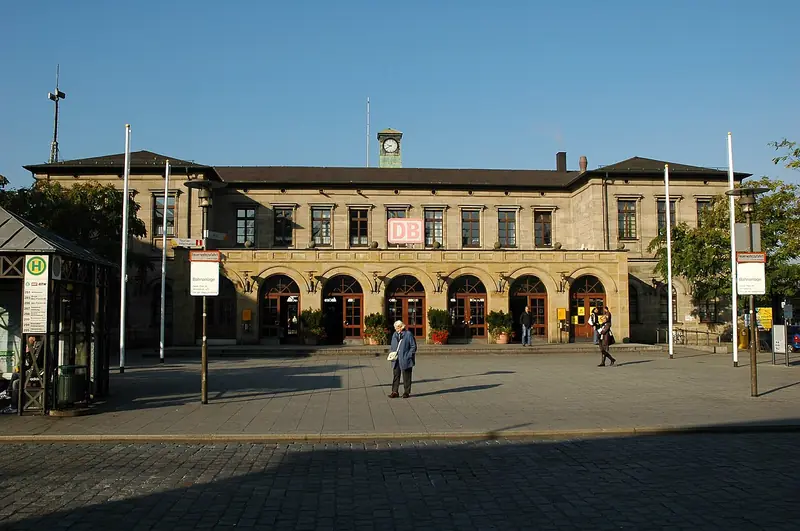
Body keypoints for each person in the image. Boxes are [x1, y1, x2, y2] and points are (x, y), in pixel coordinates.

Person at [0, 336, 44, 414]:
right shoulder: (33, 348)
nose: (27, 342)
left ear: (33, 339)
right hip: (31, 371)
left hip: (37, 373)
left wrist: (28, 352)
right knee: (15, 378)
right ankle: (8, 395)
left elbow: (34, 362)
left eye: (29, 340)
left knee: (15, 380)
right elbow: (28, 363)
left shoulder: (39, 348)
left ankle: (11, 402)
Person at [388, 320, 417, 398]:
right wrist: (392, 354)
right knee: (396, 375)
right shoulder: (394, 334)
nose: (397, 329)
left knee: (406, 376)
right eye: (396, 327)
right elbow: (393, 346)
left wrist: (408, 355)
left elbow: (413, 346)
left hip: (405, 358)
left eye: (398, 327)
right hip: (396, 359)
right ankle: (394, 391)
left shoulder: (408, 334)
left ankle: (406, 392)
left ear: (402, 326)